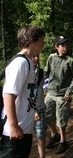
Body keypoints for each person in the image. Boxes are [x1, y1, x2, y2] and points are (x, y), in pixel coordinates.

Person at [1, 25, 45, 158]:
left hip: (23, 130)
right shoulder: (21, 63)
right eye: (42, 40)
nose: (43, 43)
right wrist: (13, 126)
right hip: (14, 133)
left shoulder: (28, 62)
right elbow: (8, 94)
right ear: (33, 39)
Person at [44, 36, 73, 154]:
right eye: (62, 45)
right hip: (50, 92)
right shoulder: (51, 58)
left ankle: (63, 141)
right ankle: (54, 135)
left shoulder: (70, 59)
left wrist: (69, 92)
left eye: (66, 45)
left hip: (62, 95)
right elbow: (45, 72)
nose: (65, 47)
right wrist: (42, 87)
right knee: (47, 115)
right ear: (56, 47)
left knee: (61, 119)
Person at [33, 54, 47, 158]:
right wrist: (33, 111)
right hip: (28, 110)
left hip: (40, 107)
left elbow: (43, 87)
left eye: (37, 56)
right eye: (33, 56)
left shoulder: (41, 72)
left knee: (41, 135)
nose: (36, 58)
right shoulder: (24, 73)